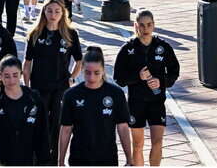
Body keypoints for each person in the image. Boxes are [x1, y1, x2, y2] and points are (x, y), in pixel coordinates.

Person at [113, 10, 181, 167]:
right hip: (136, 103)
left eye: (149, 25)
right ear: (136, 26)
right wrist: (138, 76)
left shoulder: (163, 47)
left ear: (154, 25)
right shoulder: (128, 49)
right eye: (142, 25)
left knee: (157, 142)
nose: (145, 29)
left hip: (157, 101)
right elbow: (119, 78)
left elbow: (174, 71)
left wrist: (161, 81)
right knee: (137, 144)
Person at [24, 0, 83, 164]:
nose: (53, 14)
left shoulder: (70, 34)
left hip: (60, 87)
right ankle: (36, 160)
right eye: (49, 11)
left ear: (62, 12)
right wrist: (26, 87)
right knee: (39, 124)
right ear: (44, 11)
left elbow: (79, 60)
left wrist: (72, 79)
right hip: (39, 86)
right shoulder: (35, 33)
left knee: (58, 125)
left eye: (57, 11)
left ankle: (56, 161)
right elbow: (27, 63)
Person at [58, 46, 132, 167]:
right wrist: (60, 161)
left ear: (103, 70)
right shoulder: (71, 95)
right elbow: (66, 129)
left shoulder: (116, 94)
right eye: (88, 73)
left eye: (96, 73)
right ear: (82, 69)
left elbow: (123, 127)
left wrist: (130, 159)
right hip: (79, 158)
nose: (92, 77)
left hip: (108, 158)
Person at [0, 56, 50, 166]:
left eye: (15, 75)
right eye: (6, 76)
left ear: (21, 74)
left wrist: (43, 163)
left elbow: (42, 137)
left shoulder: (34, 100)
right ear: (0, 75)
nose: (11, 80)